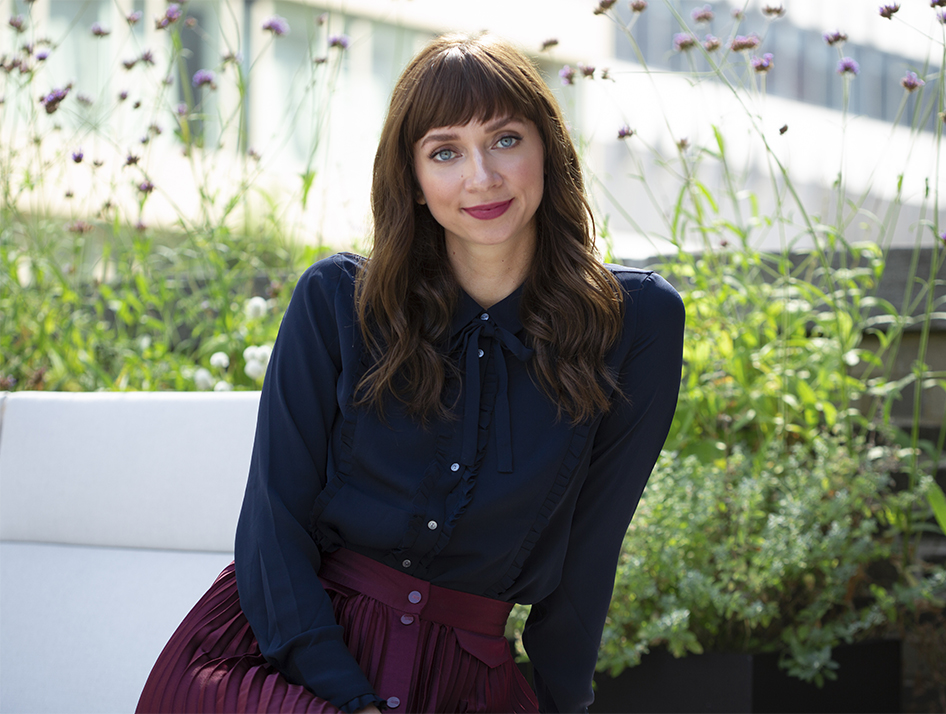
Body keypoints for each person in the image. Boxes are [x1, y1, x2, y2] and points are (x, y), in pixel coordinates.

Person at [137, 32, 684, 714]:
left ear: (548, 148)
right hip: (284, 662)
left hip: (467, 677)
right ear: (415, 180)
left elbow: (590, 552)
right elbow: (271, 527)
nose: (481, 177)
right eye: (445, 151)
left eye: (506, 139)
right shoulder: (337, 303)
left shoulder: (635, 323)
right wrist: (347, 698)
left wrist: (563, 701)